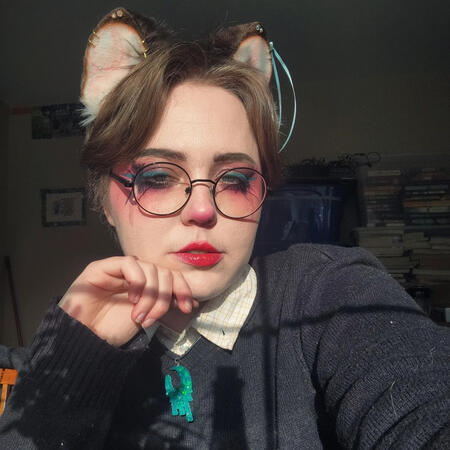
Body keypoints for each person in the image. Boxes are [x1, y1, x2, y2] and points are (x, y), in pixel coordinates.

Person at [0, 7, 449, 449]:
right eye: (157, 177)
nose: (202, 210)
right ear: (105, 201)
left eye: (234, 180)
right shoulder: (46, 358)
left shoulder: (329, 293)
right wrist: (70, 367)